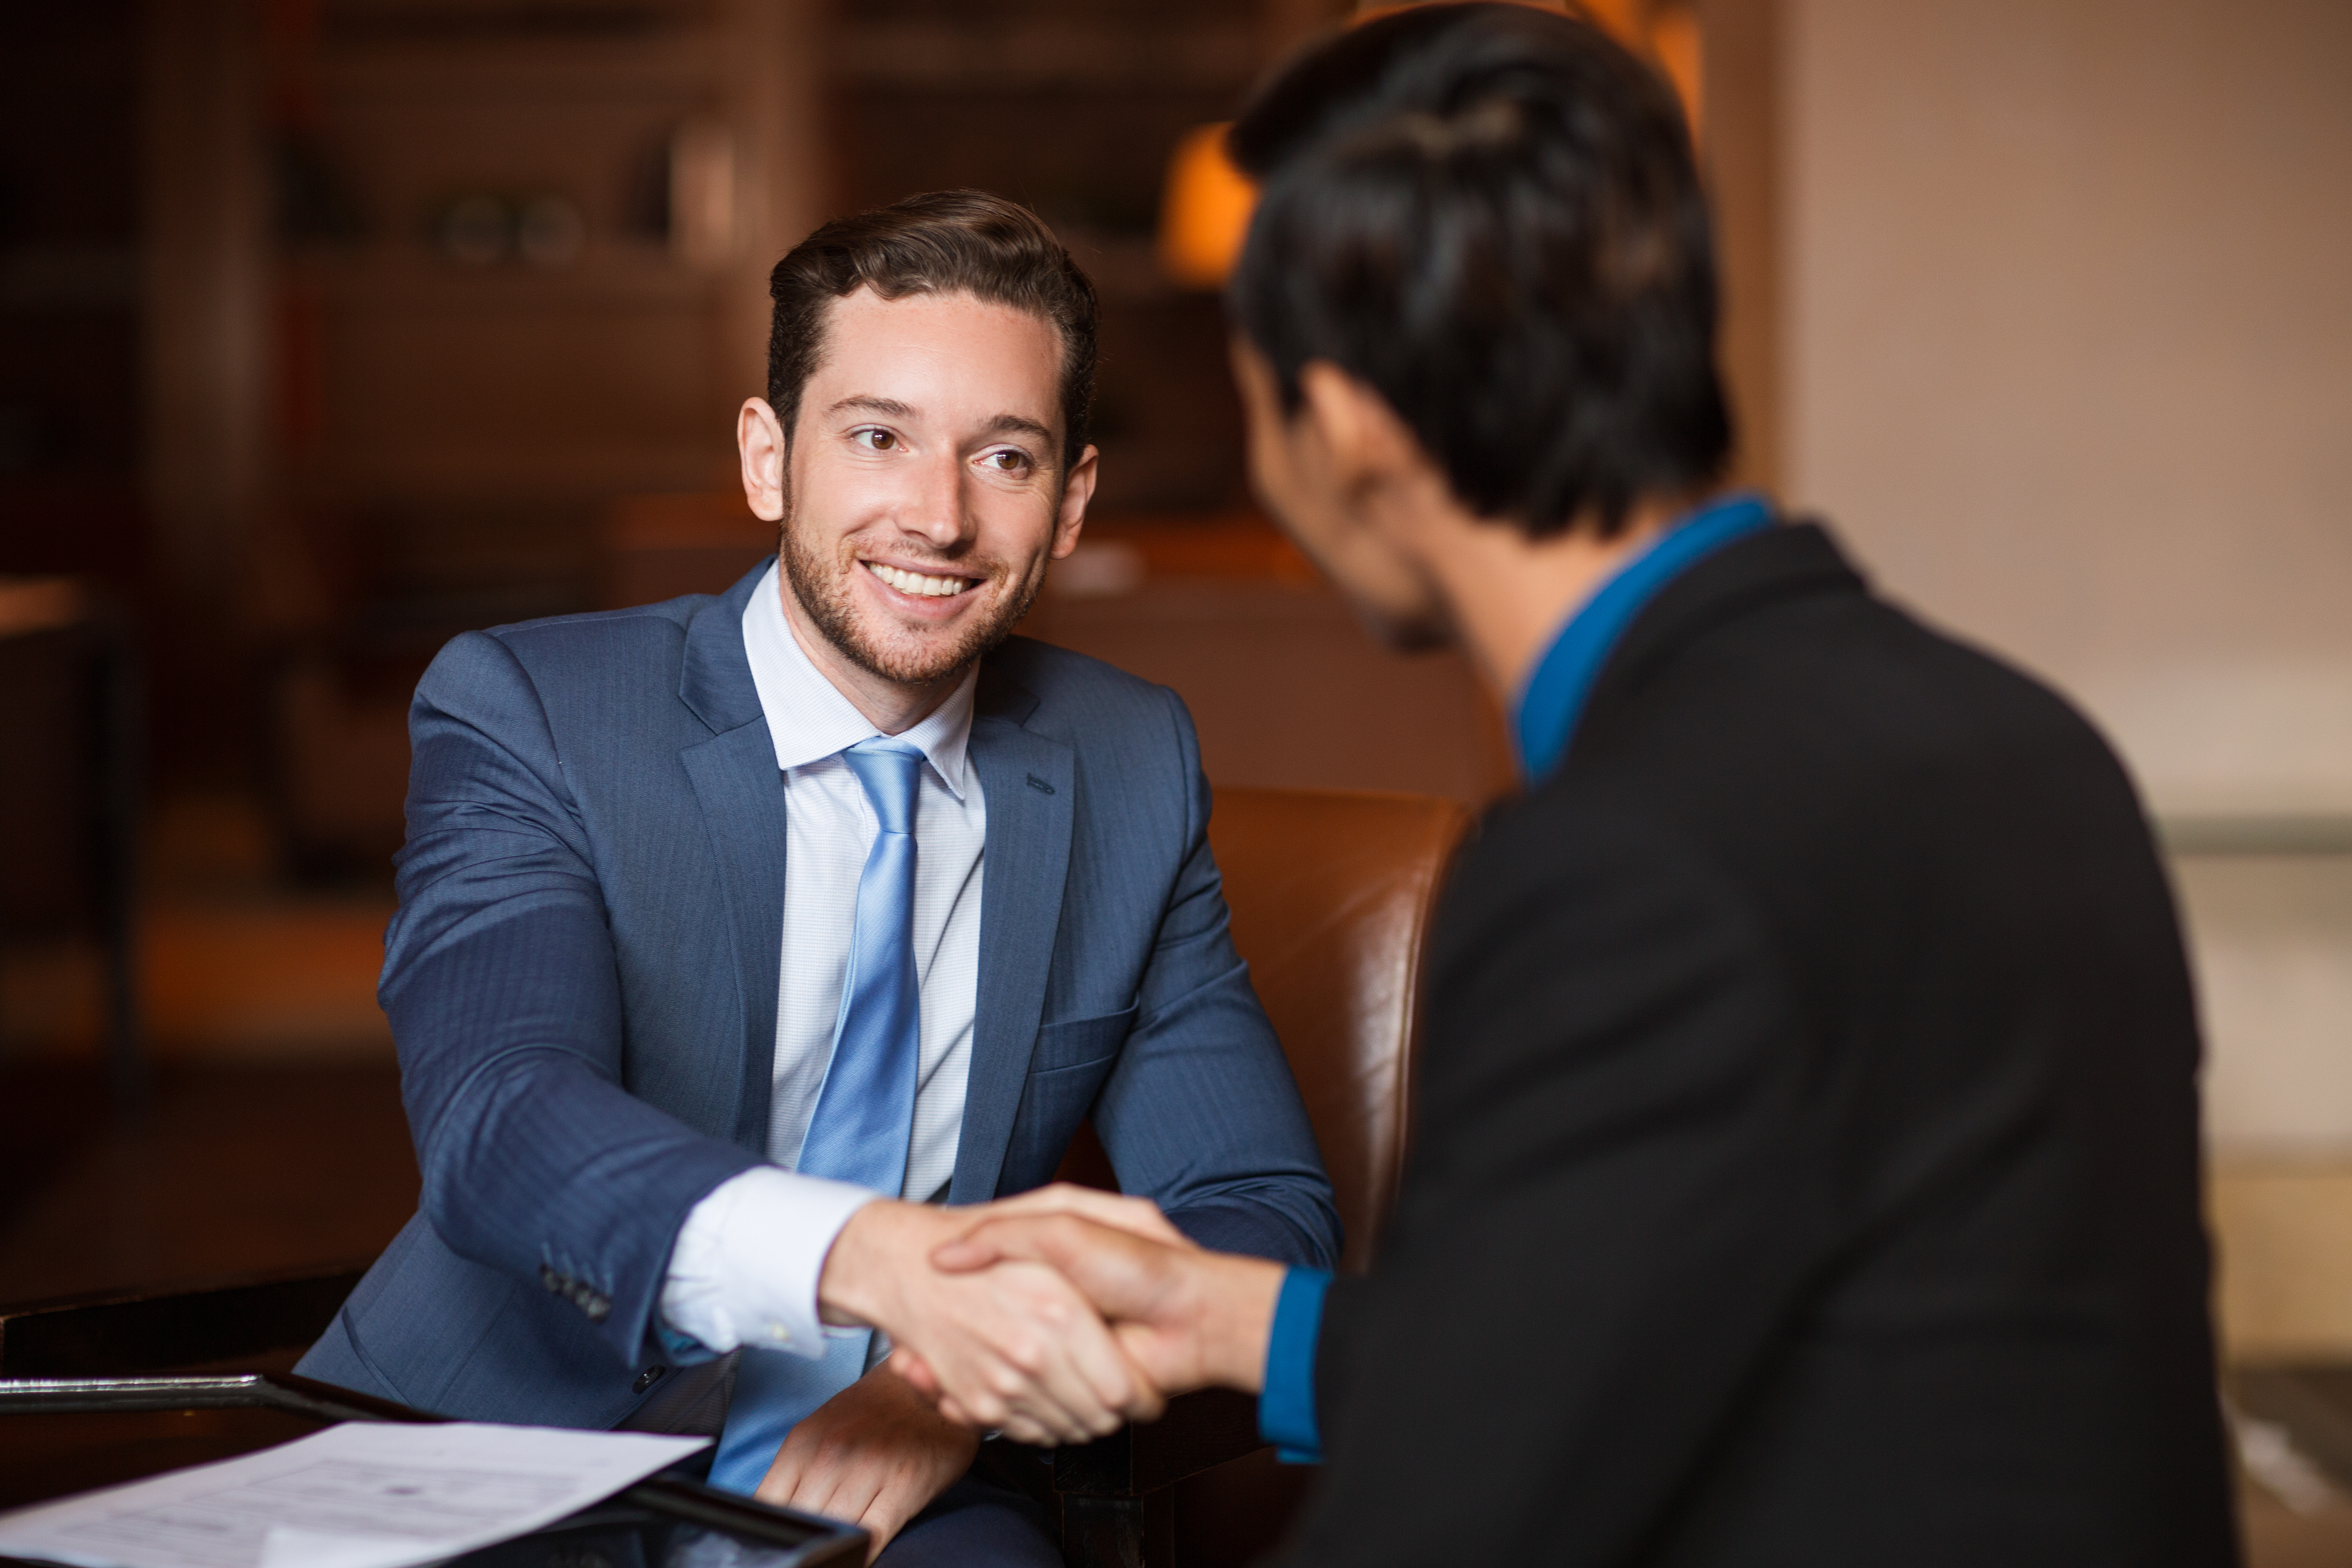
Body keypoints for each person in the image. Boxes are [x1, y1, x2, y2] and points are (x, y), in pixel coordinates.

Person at [907, 8, 2240, 1564]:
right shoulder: (2027, 743)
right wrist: (1239, 1323)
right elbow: (1730, 1345)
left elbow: (1462, 1516)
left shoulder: (1627, 862)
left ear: (1343, 429)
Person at [296, 190, 1339, 1565]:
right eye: (877, 438)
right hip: (506, 1453)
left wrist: (943, 1386)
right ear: (768, 458)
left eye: (1006, 458)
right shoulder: (534, 710)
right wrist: (878, 1260)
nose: (940, 517)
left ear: (1072, 502)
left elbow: (1261, 1209)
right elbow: (501, 1124)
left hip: (907, 1477)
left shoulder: (1133, 762)